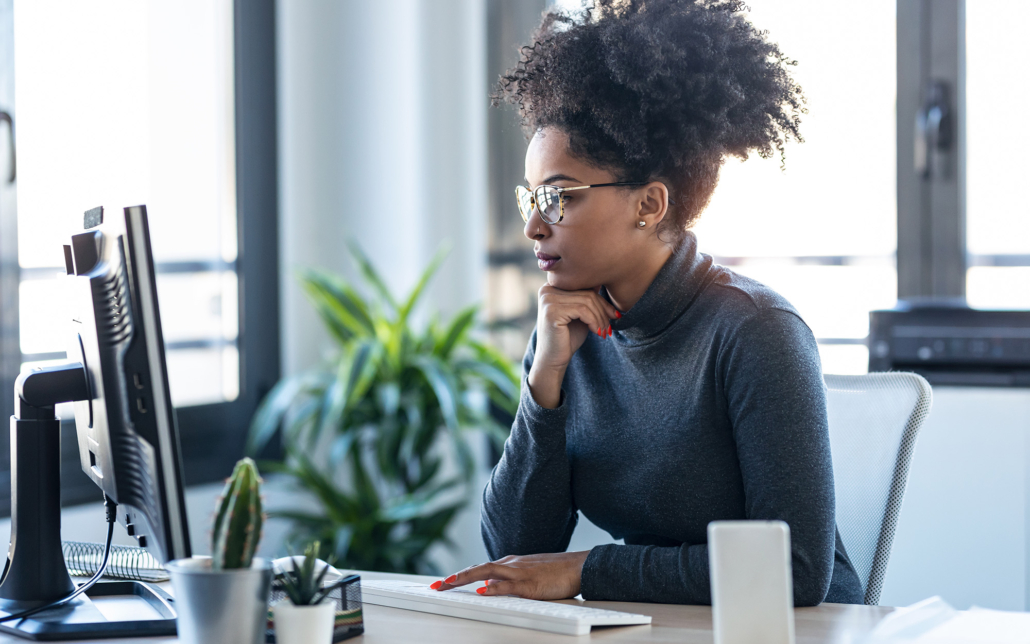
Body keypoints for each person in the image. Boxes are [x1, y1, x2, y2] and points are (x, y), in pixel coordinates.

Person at [432, 0, 864, 605]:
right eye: (529, 197)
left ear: (649, 205)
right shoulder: (567, 328)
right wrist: (545, 383)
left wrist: (590, 570)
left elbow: (793, 571)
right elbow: (514, 548)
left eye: (558, 198)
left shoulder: (755, 330)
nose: (533, 226)